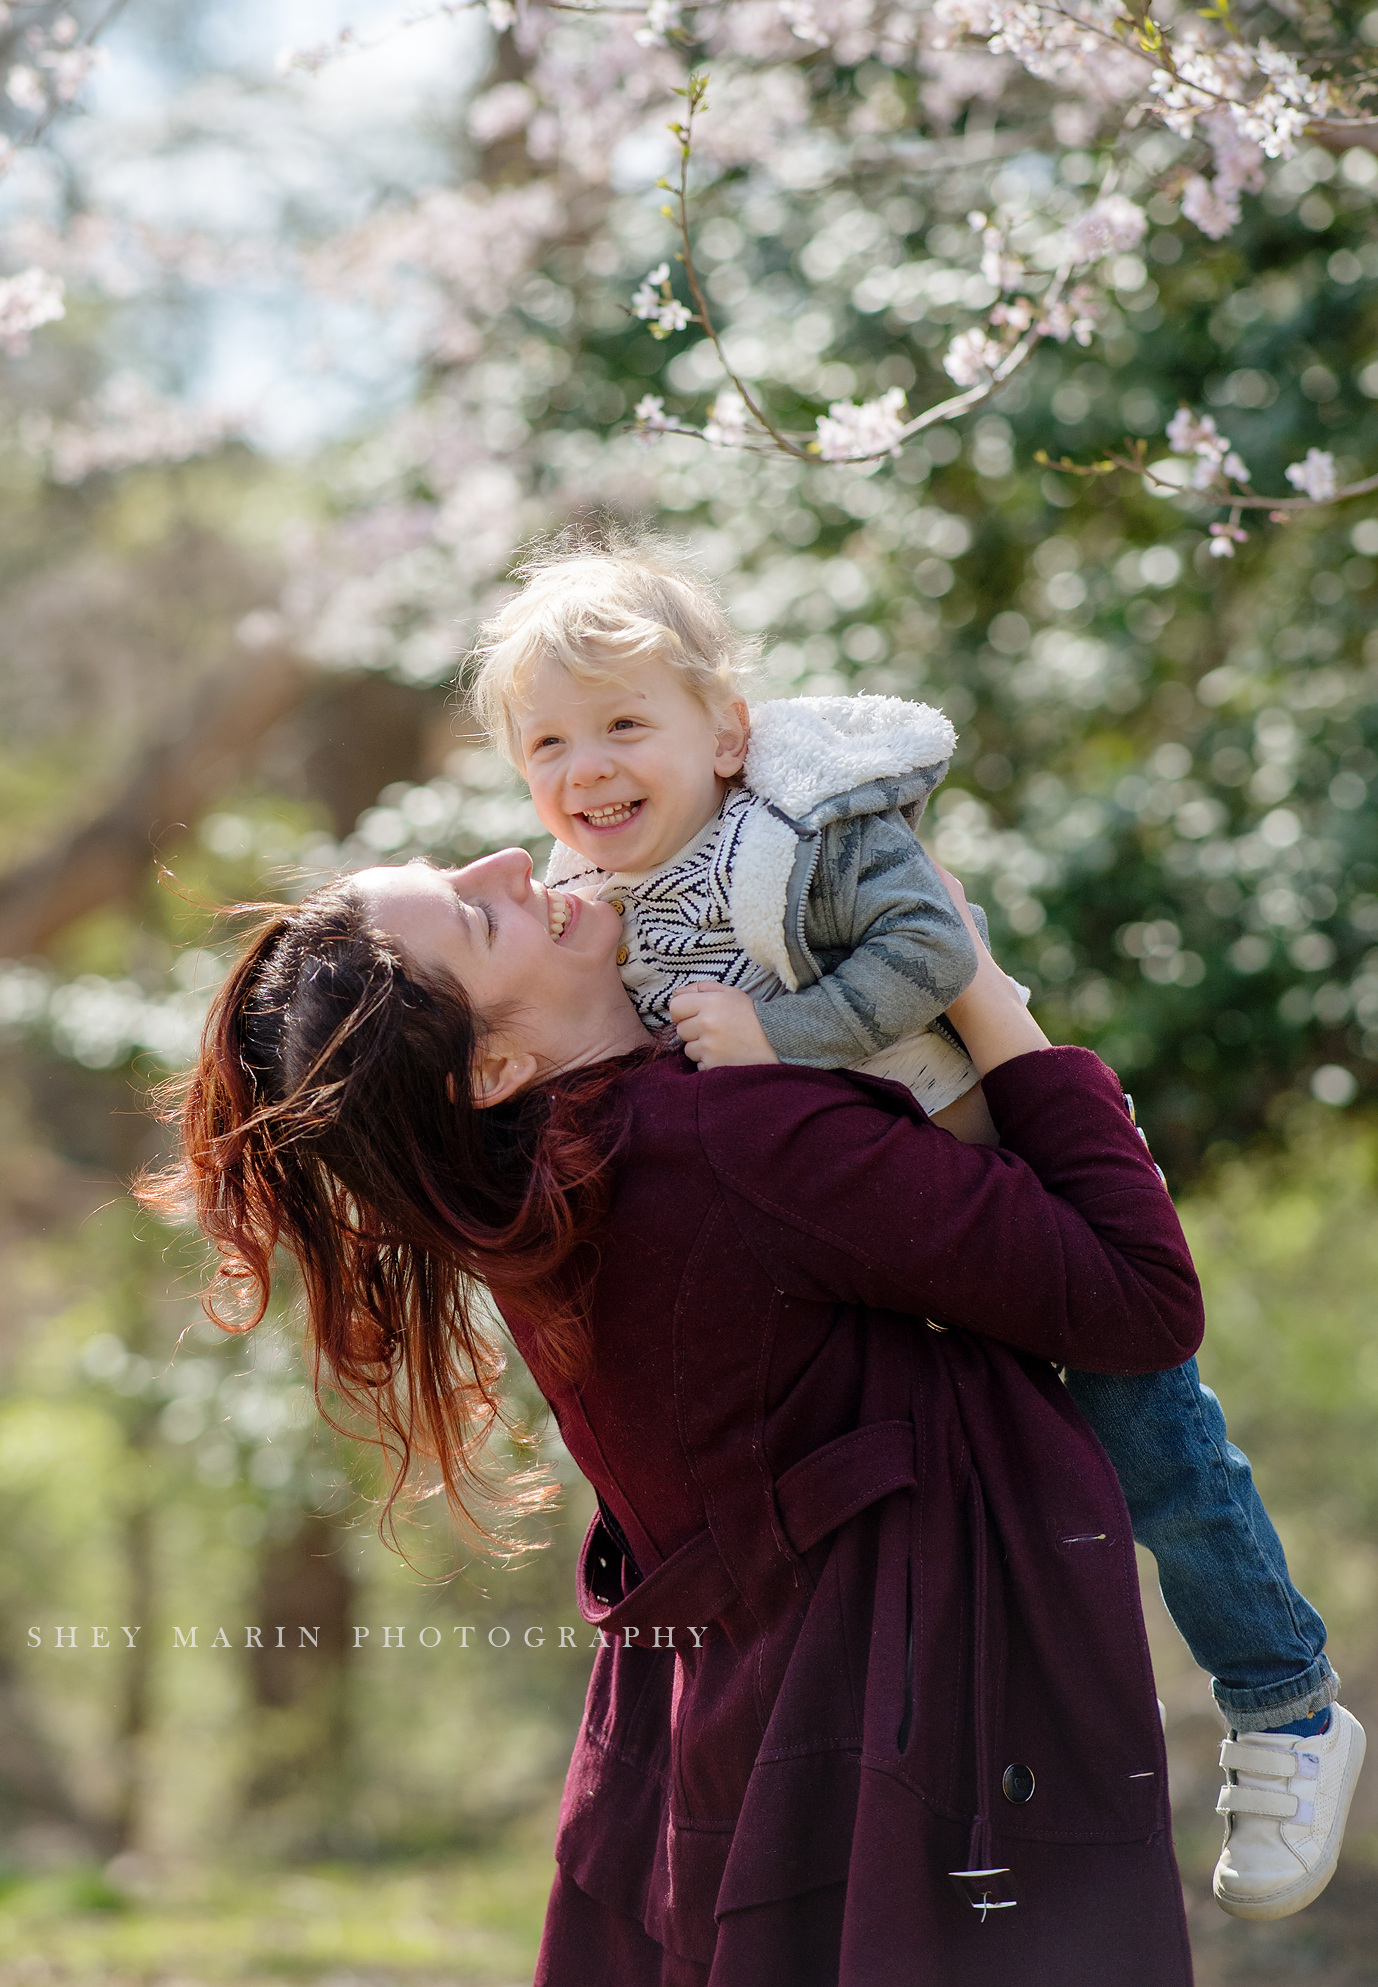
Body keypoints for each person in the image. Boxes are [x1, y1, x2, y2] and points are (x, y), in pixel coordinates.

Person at [464, 537, 1366, 1924]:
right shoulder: (598, 911)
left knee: (1162, 1448)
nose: (585, 769)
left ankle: (1285, 1701)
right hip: (901, 1250)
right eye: (548, 742)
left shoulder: (810, 834)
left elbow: (935, 953)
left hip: (1020, 1154)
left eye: (625, 725)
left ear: (728, 729)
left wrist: (781, 1038)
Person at [157, 837, 1208, 1982]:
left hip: (735, 1759)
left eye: (459, 869)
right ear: (494, 1063)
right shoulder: (733, 1139)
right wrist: (976, 984)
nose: (510, 856)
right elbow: (1140, 1297)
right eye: (477, 916)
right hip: (918, 1759)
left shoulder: (540, 1199)